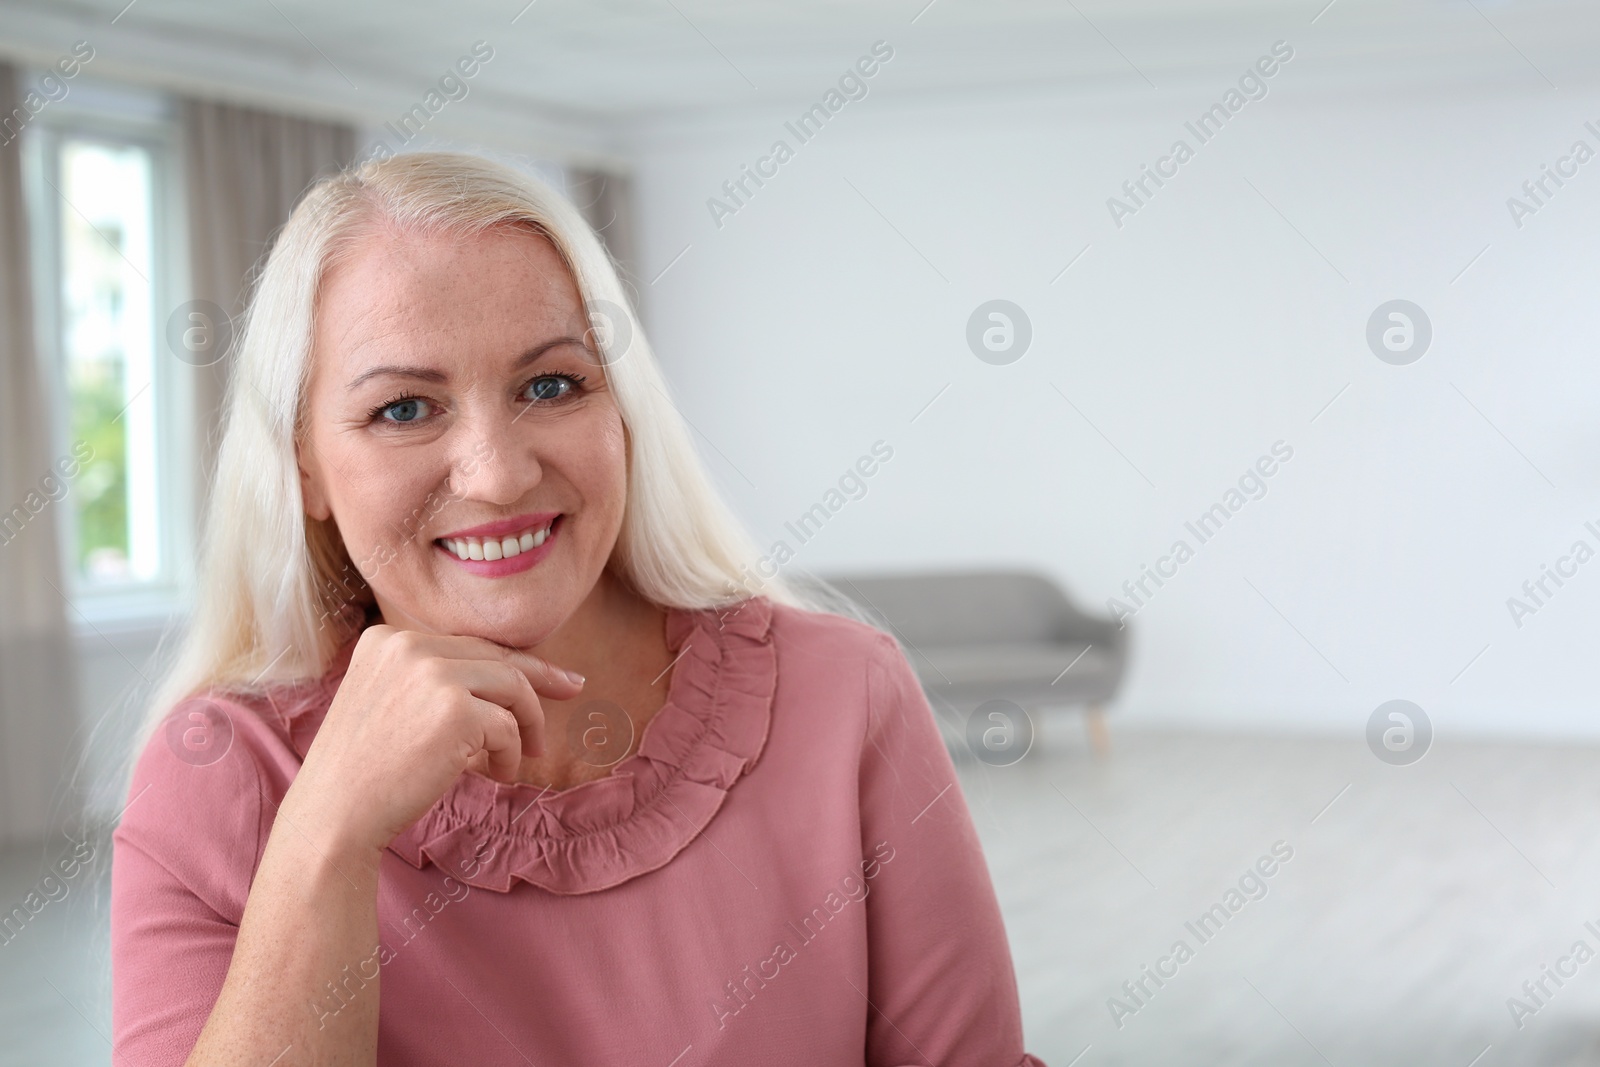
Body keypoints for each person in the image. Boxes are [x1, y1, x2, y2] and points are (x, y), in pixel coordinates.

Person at [110, 151, 1044, 1065]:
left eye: (550, 385)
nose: (499, 471)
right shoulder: (221, 776)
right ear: (303, 466)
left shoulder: (845, 695)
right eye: (404, 408)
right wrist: (329, 831)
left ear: (623, 413)